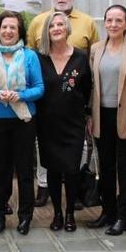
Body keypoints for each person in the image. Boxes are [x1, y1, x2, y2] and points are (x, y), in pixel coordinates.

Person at [27, 0, 101, 205]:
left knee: (78, 150)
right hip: (46, 103)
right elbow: (31, 57)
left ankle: (76, 187)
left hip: (74, 102)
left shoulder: (88, 22)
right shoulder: (38, 21)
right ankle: (43, 186)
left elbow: (94, 59)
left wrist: (89, 110)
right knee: (44, 148)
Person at [0, 11, 44, 235]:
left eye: (13, 27)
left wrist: (20, 96)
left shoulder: (30, 56)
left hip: (23, 120)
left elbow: (39, 88)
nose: (8, 31)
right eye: (4, 27)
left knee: (24, 170)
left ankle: (25, 216)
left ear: (19, 31)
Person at [88, 4, 126, 236]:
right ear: (104, 23)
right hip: (101, 115)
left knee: (125, 168)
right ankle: (108, 212)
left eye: (118, 20)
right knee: (105, 167)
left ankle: (124, 217)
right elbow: (93, 86)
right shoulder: (96, 48)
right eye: (109, 20)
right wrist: (89, 115)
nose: (113, 24)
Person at [35, 12, 92, 232]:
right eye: (52, 25)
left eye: (61, 24)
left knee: (71, 169)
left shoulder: (80, 57)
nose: (57, 28)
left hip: (73, 123)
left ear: (68, 29)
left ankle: (70, 214)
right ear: (46, 30)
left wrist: (88, 116)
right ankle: (57, 214)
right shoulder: (39, 57)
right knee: (52, 169)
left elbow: (87, 88)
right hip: (47, 123)